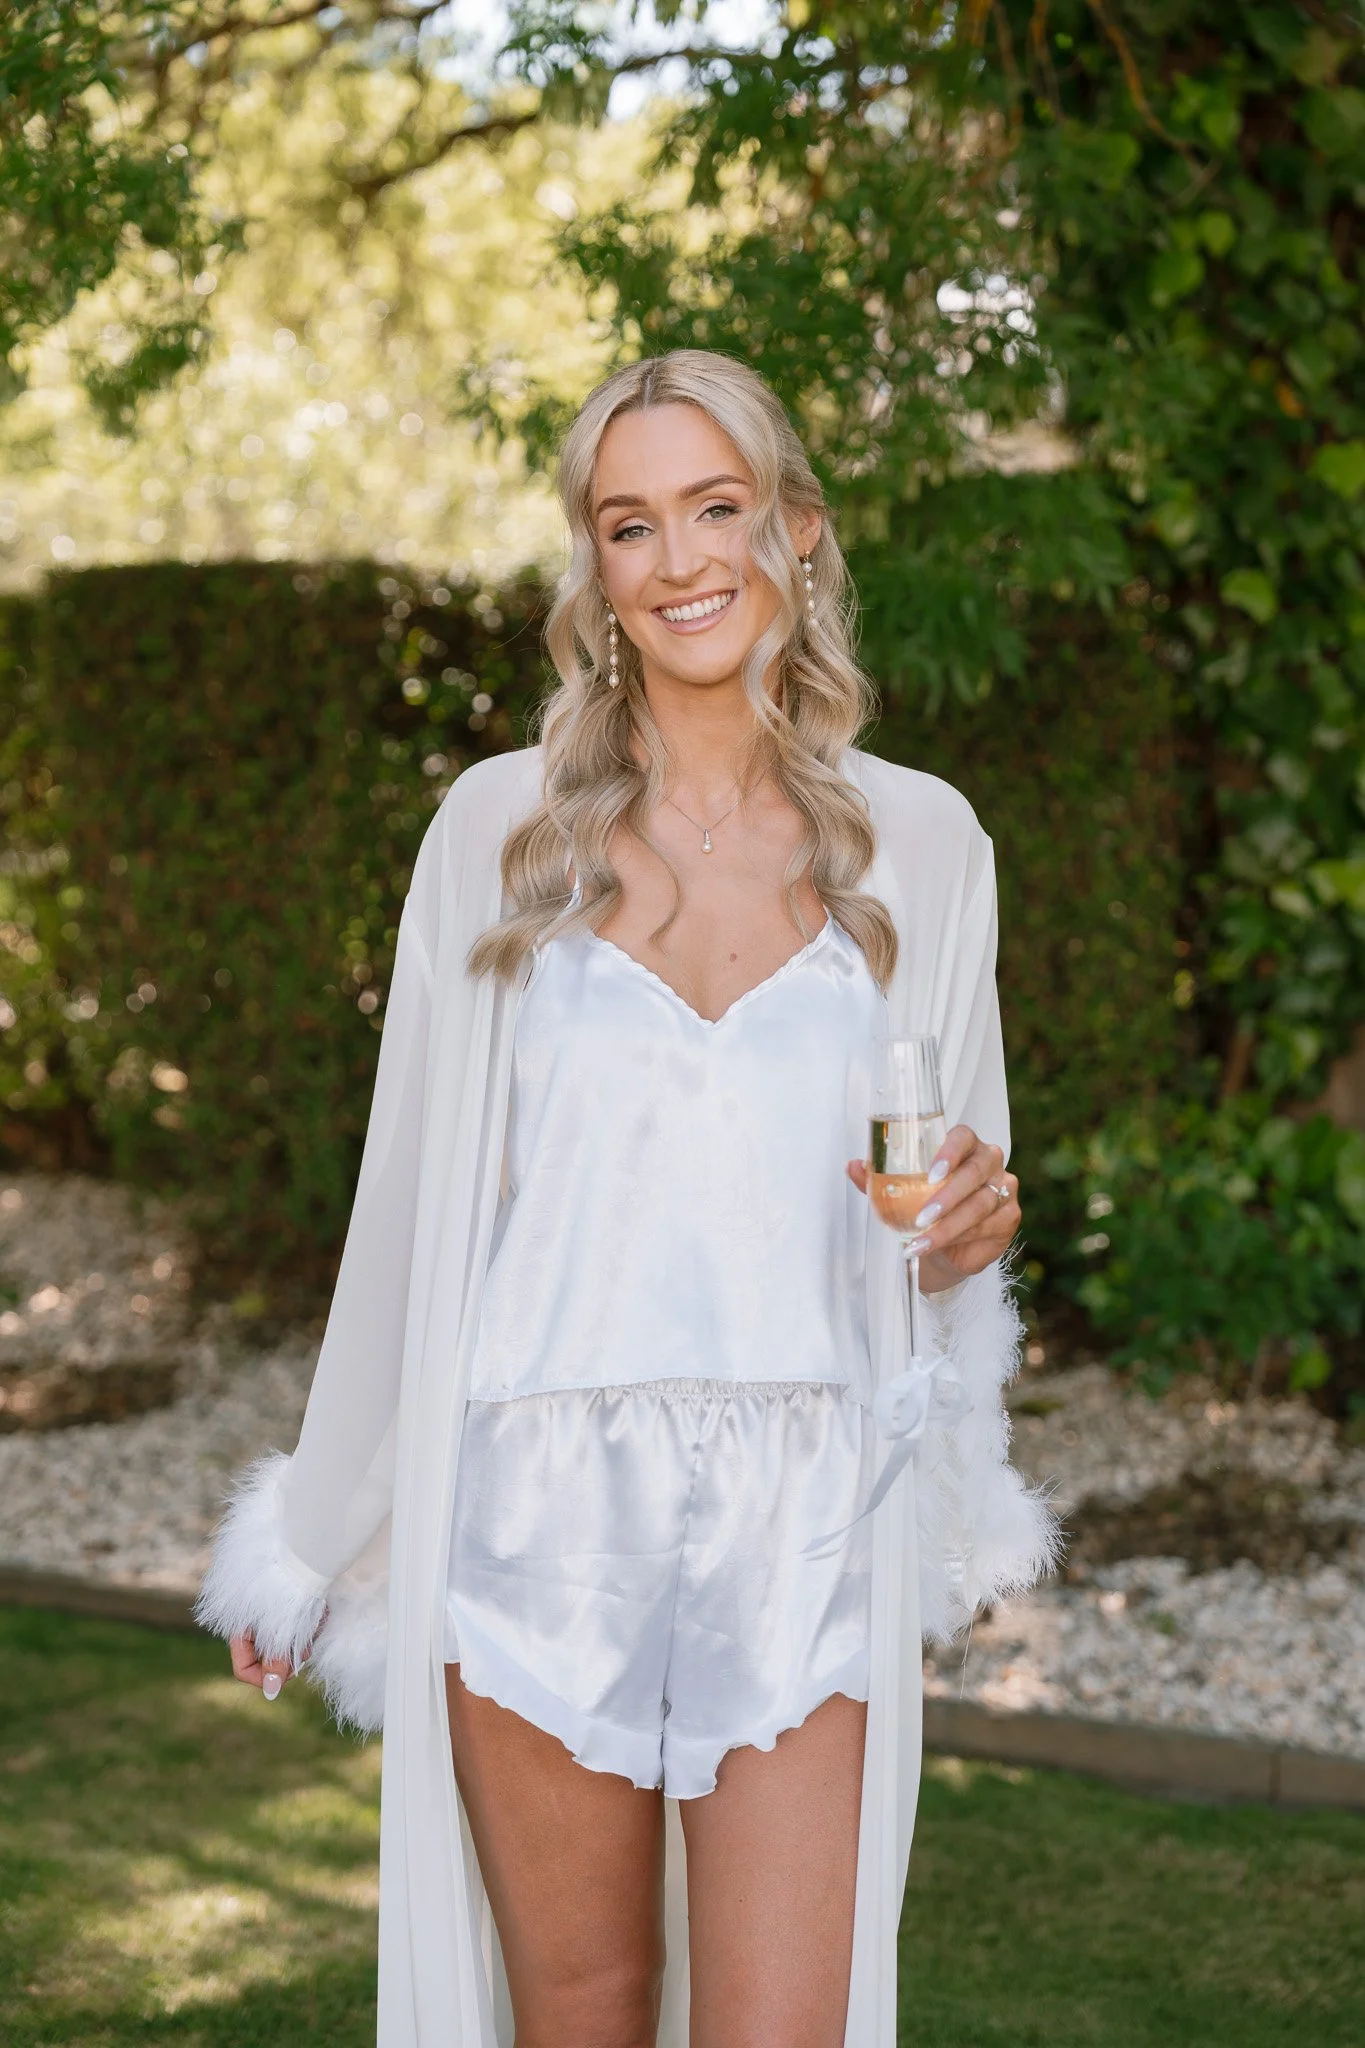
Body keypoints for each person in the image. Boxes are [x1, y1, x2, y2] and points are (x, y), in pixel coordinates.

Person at [196, 348, 1059, 2048]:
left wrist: (974, 1224)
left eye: (717, 508)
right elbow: (413, 1209)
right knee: (578, 2014)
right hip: (535, 1501)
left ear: (797, 527)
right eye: (631, 523)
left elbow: (948, 1204)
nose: (681, 561)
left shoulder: (928, 845)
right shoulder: (498, 835)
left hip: (811, 1507)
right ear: (595, 566)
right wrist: (314, 1535)